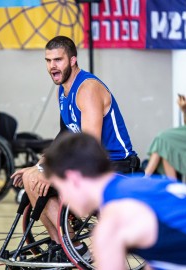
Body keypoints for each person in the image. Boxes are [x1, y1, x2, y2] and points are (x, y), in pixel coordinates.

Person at [11, 36, 140, 249]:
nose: (52, 66)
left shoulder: (87, 89)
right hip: (90, 166)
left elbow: (89, 147)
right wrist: (39, 166)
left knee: (43, 180)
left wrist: (53, 174)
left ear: (72, 60)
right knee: (32, 180)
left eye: (58, 60)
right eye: (48, 60)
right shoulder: (62, 90)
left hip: (115, 168)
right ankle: (63, 246)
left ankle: (73, 246)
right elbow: (65, 136)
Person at [43, 132, 186, 270]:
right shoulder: (143, 182)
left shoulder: (113, 221)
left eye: (60, 187)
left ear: (73, 179)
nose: (63, 197)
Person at [145, 68, 186, 179]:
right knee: (166, 146)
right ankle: (172, 184)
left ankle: (146, 177)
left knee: (163, 137)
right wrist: (185, 110)